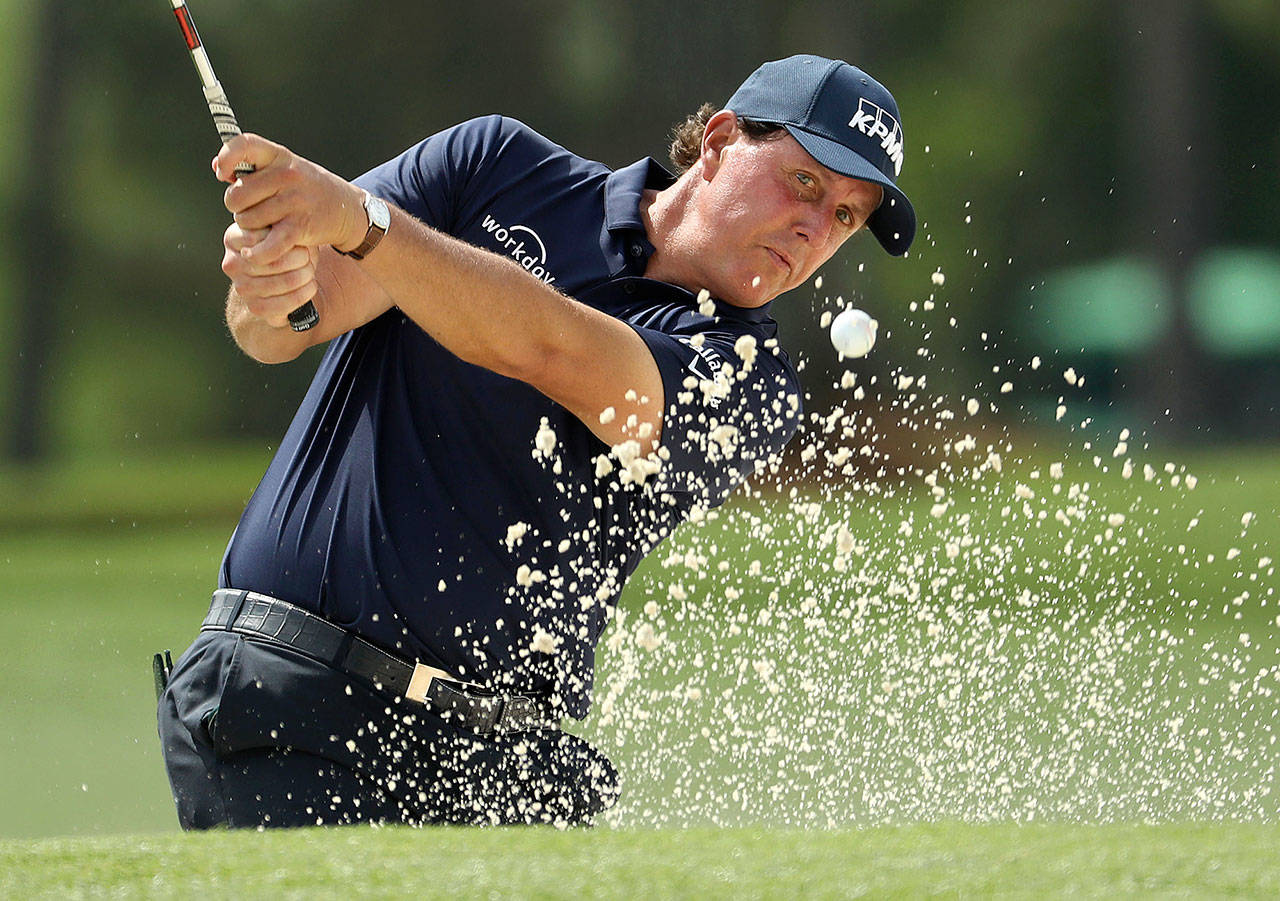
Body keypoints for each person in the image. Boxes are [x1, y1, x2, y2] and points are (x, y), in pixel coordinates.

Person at [155, 53, 915, 829]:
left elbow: (560, 353)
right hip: (289, 704)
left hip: (498, 766)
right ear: (719, 141)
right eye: (807, 184)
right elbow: (286, 323)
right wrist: (275, 282)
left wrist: (359, 222)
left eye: (845, 218)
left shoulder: (748, 381)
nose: (816, 230)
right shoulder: (493, 166)